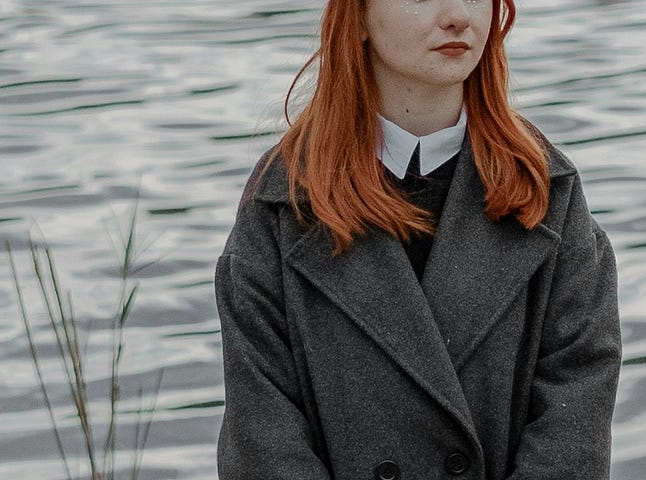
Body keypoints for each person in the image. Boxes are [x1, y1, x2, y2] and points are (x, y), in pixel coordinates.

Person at [213, 0, 621, 478]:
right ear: (358, 17)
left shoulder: (547, 191)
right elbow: (263, 439)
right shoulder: (282, 204)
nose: (457, 17)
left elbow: (575, 414)